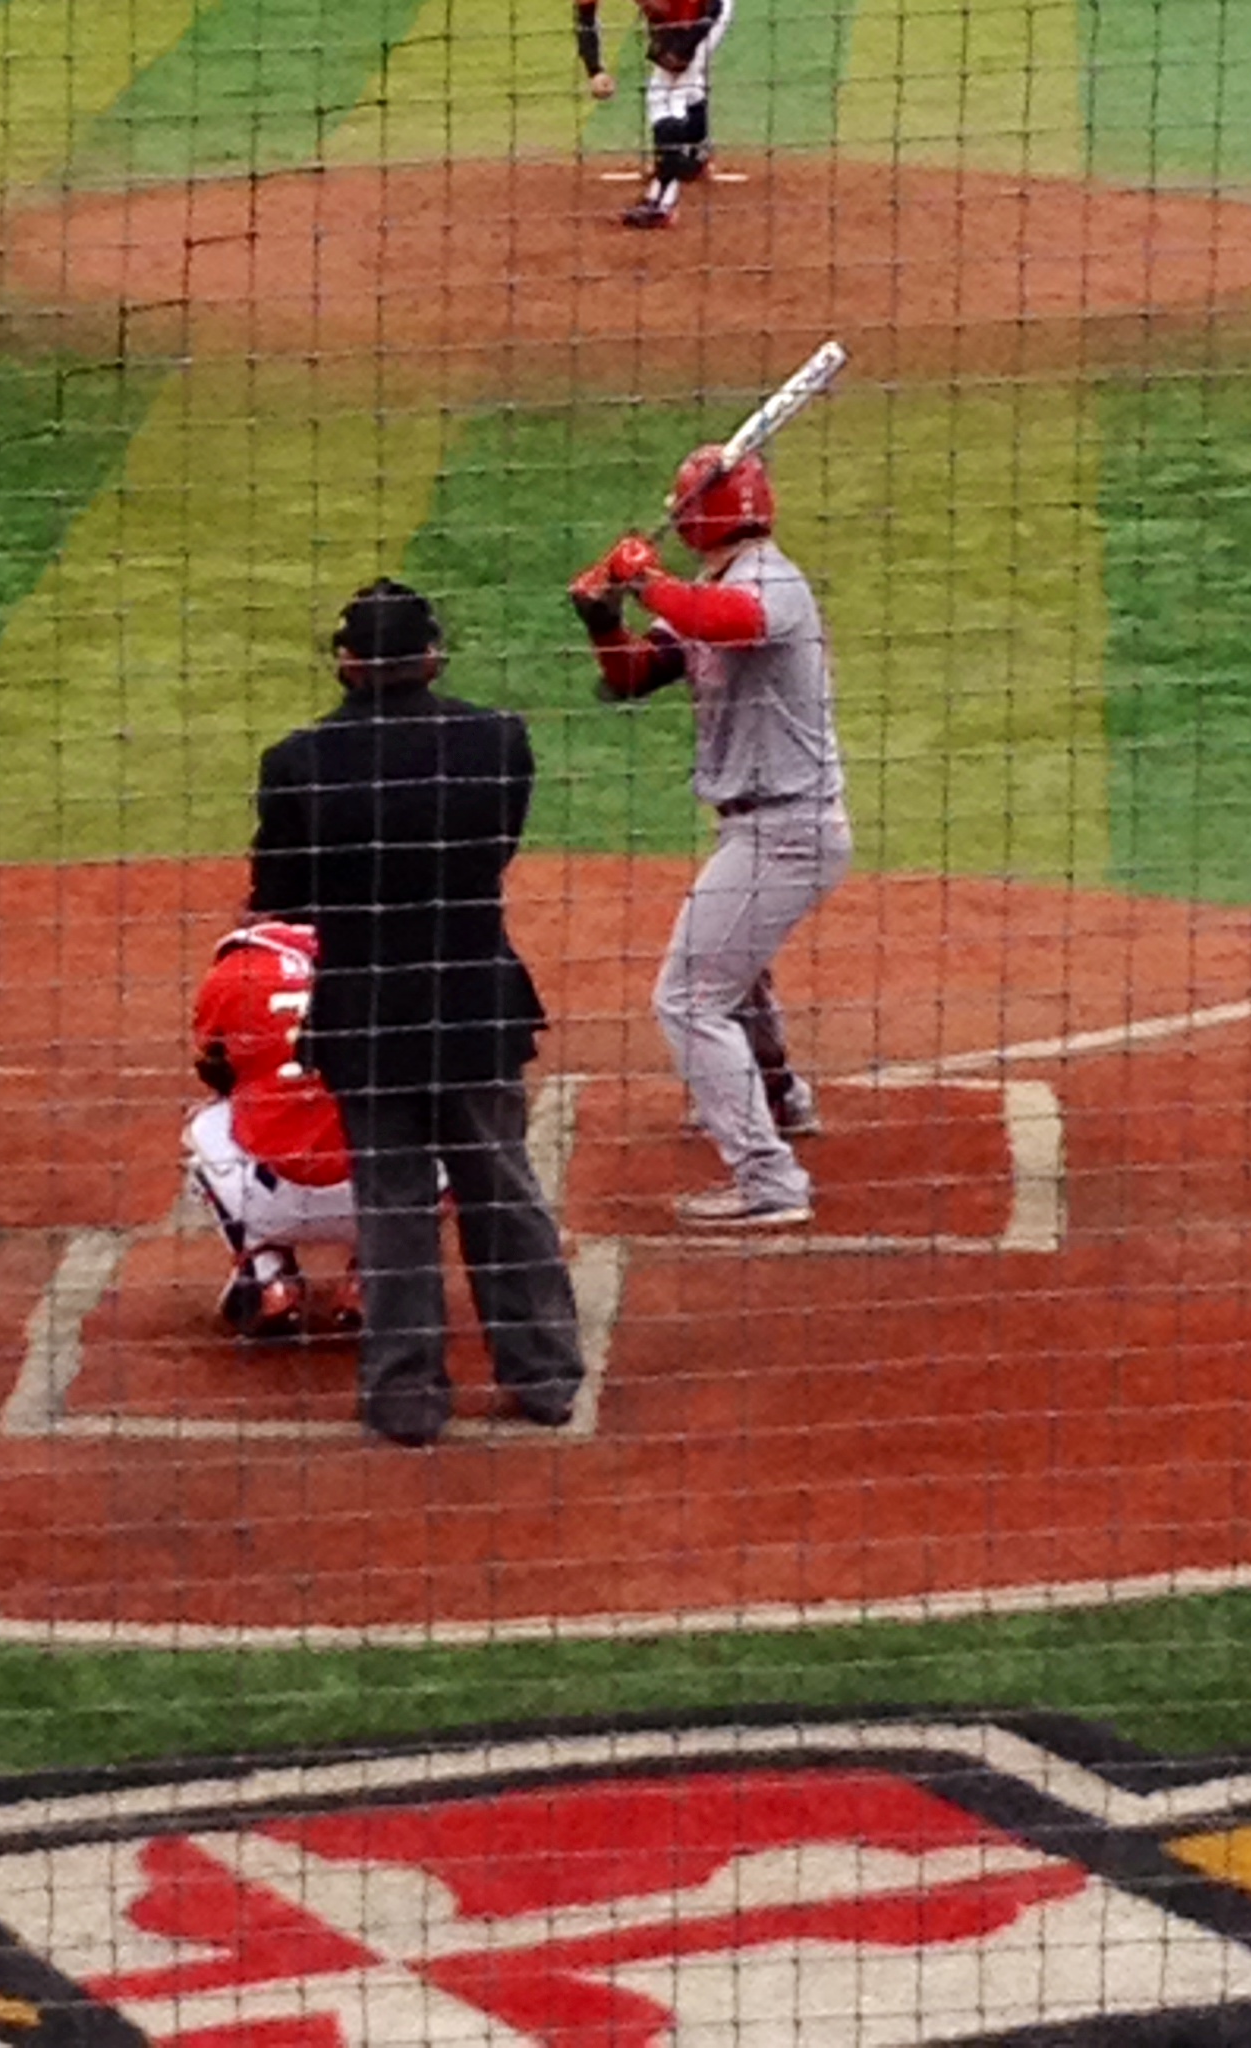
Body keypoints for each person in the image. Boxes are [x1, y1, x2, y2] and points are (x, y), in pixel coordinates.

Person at [248, 578, 586, 1447]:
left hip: (367, 1012)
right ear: (432, 654)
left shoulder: (297, 762)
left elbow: (281, 897)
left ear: (347, 664)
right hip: (471, 1000)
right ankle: (544, 1375)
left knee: (393, 1209)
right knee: (502, 1188)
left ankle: (406, 1397)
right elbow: (495, 849)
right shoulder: (496, 740)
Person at [569, 444, 851, 1227]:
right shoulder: (708, 588)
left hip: (788, 828)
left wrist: (644, 577)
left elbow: (732, 623)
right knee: (734, 974)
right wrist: (603, 616)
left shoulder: (770, 582)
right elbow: (629, 676)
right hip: (763, 830)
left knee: (688, 1000)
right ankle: (779, 1097)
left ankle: (769, 1182)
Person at [185, 920, 362, 1342]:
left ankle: (268, 1278)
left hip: (269, 1198)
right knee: (445, 1121)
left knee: (205, 1122)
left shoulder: (237, 969)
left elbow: (213, 1068)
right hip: (383, 1197)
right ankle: (375, 1280)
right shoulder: (378, 951)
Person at [574, 0, 735, 229]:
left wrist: (682, 45)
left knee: (670, 93)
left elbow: (697, 13)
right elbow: (585, 17)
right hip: (680, 13)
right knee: (682, 81)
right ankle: (696, 155)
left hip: (707, 11)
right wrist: (595, 70)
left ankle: (663, 204)